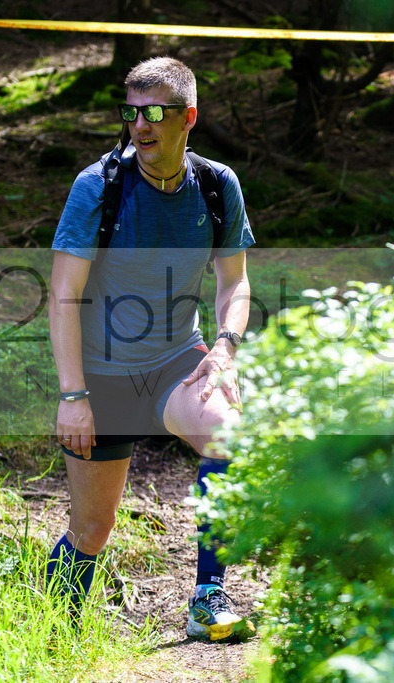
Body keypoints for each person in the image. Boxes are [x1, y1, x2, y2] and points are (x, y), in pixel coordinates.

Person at [45, 56, 255, 642]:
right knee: (92, 529)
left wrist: (224, 349)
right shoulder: (99, 187)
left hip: (173, 362)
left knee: (226, 435)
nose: (141, 125)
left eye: (155, 112)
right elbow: (64, 295)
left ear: (187, 117)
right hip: (102, 375)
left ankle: (208, 599)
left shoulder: (216, 185)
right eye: (132, 112)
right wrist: (73, 396)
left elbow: (234, 282)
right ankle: (59, 636)